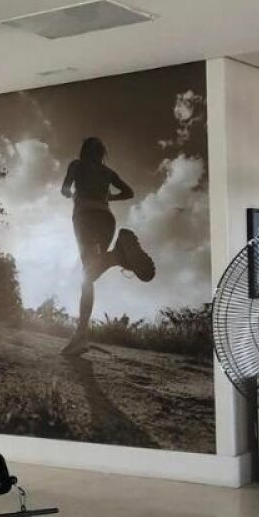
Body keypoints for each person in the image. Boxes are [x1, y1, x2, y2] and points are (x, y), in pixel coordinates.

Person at [59, 136, 155, 356]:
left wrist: (70, 193)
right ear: (102, 154)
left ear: (84, 151)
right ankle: (116, 257)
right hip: (106, 218)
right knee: (92, 271)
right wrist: (107, 197)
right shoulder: (108, 172)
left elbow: (64, 189)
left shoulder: (77, 165)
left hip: (85, 215)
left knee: (87, 276)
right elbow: (129, 192)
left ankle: (81, 336)